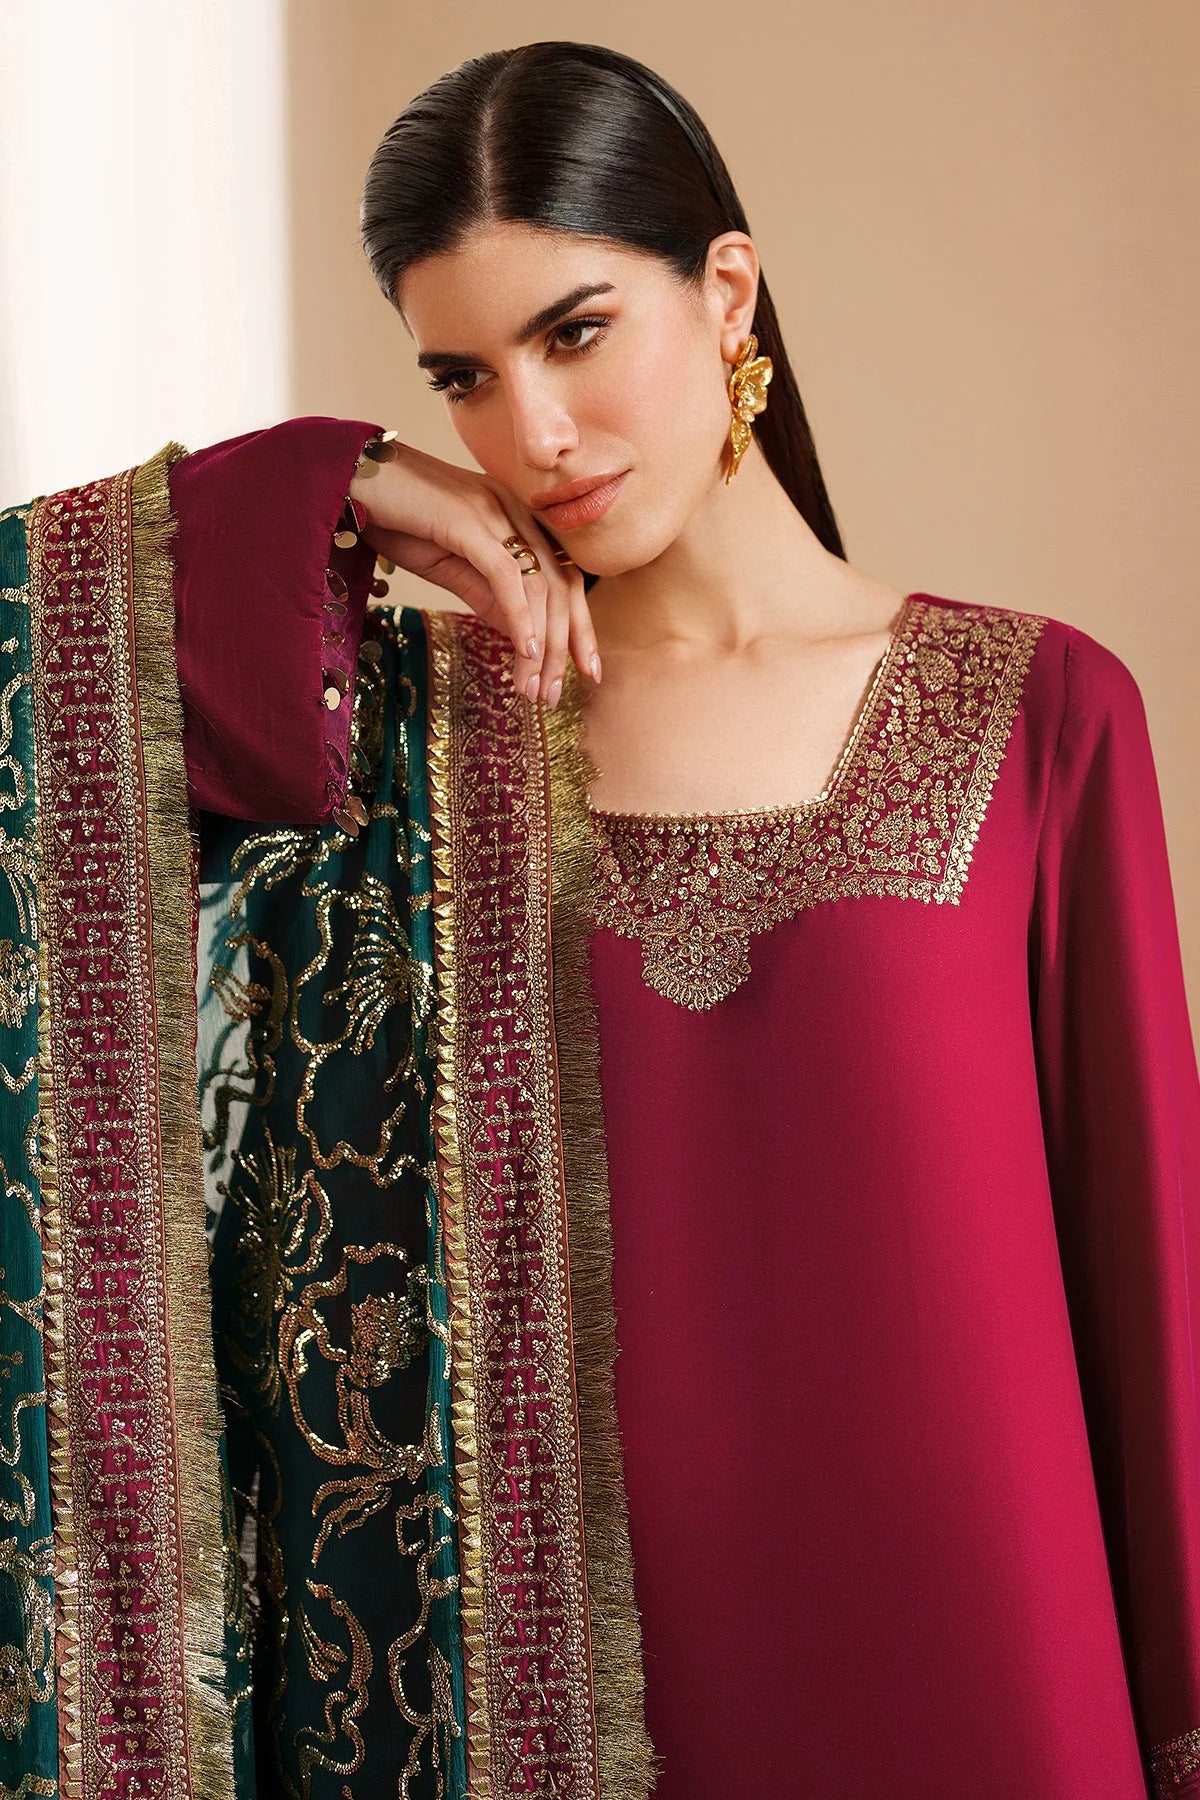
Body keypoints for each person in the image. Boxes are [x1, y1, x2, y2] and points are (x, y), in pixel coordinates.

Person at [1, 36, 1198, 1800]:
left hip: (986, 1667)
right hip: (535, 1714)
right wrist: (345, 479)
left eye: (575, 334)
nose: (532, 436)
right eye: (463, 377)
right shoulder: (399, 744)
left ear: (727, 293)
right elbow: (44, 670)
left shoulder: (1034, 712)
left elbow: (1154, 1294)